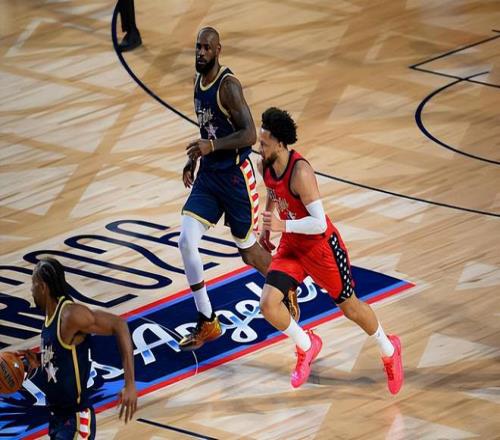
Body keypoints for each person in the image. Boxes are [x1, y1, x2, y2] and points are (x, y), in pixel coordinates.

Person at [257, 107, 403, 393]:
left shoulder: (301, 172)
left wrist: (282, 225)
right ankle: (307, 345)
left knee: (351, 308)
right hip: (292, 246)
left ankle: (389, 349)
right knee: (268, 304)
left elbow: (319, 223)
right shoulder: (266, 165)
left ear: (281, 144)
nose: (259, 148)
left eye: (264, 144)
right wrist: (267, 225)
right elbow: (273, 192)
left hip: (321, 247)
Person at [178, 27, 298, 351]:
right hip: (209, 176)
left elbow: (248, 135)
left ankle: (286, 284)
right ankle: (207, 320)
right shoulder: (198, 81)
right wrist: (194, 158)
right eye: (198, 47)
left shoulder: (228, 86)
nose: (201, 52)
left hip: (235, 178)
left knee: (248, 252)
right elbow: (208, 130)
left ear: (218, 50)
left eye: (207, 48)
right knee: (186, 241)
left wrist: (212, 146)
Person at [20, 257, 137, 439]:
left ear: (43, 287)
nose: (31, 291)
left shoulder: (70, 315)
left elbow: (119, 324)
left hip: (76, 419)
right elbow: (60, 359)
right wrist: (38, 361)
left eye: (33, 285)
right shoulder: (49, 320)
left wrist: (129, 384)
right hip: (58, 419)